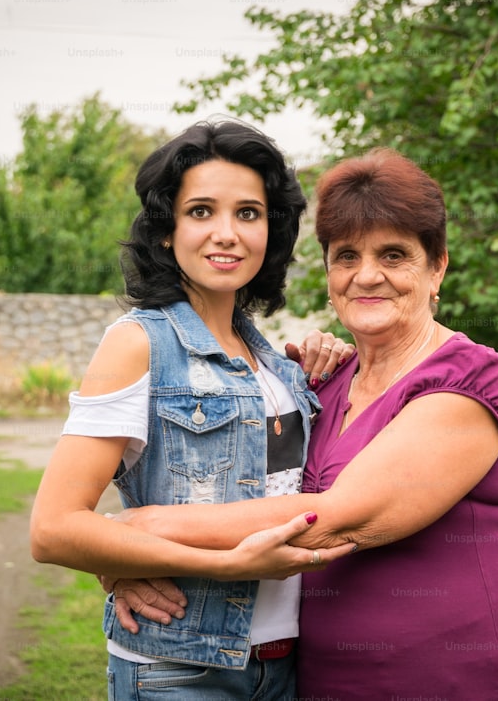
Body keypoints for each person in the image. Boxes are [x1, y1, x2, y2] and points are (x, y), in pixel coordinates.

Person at [107, 147, 498, 698]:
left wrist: (129, 534)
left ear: (437, 266)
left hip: (460, 677)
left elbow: (336, 518)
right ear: (327, 272)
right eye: (346, 256)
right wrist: (122, 563)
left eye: (394, 255)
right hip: (323, 682)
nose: (367, 276)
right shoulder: (320, 383)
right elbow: (244, 488)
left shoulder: (468, 378)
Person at [28, 119, 354, 701]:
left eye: (248, 213)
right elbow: (53, 530)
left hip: (286, 668)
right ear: (165, 231)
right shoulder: (137, 344)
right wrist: (221, 565)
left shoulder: (279, 365)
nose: (226, 233)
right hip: (177, 671)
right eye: (201, 211)